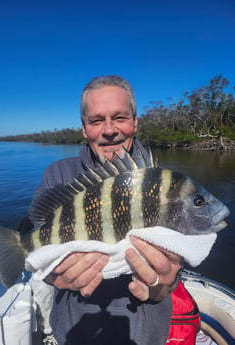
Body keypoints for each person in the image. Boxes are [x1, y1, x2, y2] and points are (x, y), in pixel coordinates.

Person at [30, 75, 183, 345]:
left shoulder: (161, 182)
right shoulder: (59, 175)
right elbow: (39, 242)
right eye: (97, 120)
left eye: (120, 117)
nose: (109, 130)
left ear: (135, 122)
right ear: (84, 129)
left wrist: (166, 283)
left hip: (145, 331)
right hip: (76, 328)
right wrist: (54, 274)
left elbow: (179, 254)